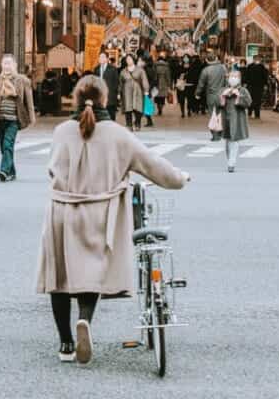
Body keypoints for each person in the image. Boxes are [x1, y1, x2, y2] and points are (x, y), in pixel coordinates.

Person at [37, 75, 189, 364]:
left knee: (59, 277)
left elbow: (52, 169)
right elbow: (154, 165)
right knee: (91, 270)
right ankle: (84, 319)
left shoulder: (61, 132)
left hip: (62, 211)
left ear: (76, 98)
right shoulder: (118, 135)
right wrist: (180, 178)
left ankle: (66, 344)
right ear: (105, 99)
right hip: (100, 212)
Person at [0, 54, 35, 182]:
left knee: (7, 144)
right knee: (3, 147)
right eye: (5, 63)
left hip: (14, 119)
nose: (7, 66)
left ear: (14, 65)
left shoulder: (22, 80)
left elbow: (29, 100)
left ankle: (3, 171)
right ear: (1, 65)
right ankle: (11, 172)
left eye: (9, 63)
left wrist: (31, 117)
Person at [220, 69, 252, 173]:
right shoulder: (224, 89)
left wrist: (239, 96)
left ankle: (231, 163)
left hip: (237, 119)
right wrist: (223, 96)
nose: (233, 78)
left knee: (234, 140)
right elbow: (217, 103)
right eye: (231, 76)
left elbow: (248, 103)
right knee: (227, 141)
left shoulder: (243, 90)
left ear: (239, 79)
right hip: (226, 119)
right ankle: (229, 160)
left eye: (235, 76)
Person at [196, 53, 227, 140]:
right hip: (222, 94)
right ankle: (221, 132)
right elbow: (227, 80)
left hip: (211, 95)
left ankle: (215, 134)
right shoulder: (223, 68)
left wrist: (197, 93)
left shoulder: (205, 70)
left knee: (212, 114)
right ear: (216, 58)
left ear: (206, 60)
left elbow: (201, 84)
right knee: (221, 114)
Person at [119, 54, 147, 132]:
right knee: (128, 108)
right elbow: (120, 83)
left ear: (133, 60)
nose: (129, 61)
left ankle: (137, 123)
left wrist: (146, 90)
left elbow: (144, 80)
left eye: (130, 59)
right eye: (127, 59)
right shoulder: (123, 71)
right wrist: (119, 92)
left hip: (138, 91)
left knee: (138, 108)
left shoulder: (140, 70)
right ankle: (129, 125)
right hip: (126, 91)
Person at [94, 51, 119, 123]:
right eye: (99, 57)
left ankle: (111, 127)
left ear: (107, 59)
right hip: (99, 95)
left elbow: (116, 82)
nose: (100, 59)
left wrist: (117, 93)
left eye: (102, 57)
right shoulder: (96, 69)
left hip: (110, 95)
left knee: (111, 114)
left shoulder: (113, 69)